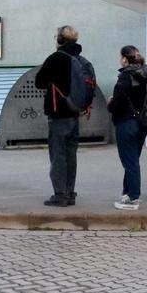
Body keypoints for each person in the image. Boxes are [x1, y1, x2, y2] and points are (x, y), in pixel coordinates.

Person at [34, 25, 93, 207]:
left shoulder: (56, 58)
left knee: (58, 155)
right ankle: (70, 192)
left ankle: (60, 195)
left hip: (59, 114)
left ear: (60, 40)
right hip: (75, 113)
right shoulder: (81, 60)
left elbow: (39, 82)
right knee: (71, 155)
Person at [108, 45, 147, 211]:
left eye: (120, 57)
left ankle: (133, 197)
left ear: (125, 59)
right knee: (133, 159)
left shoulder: (125, 77)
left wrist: (110, 103)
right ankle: (127, 192)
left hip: (126, 122)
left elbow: (117, 104)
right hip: (142, 122)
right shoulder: (146, 74)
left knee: (130, 161)